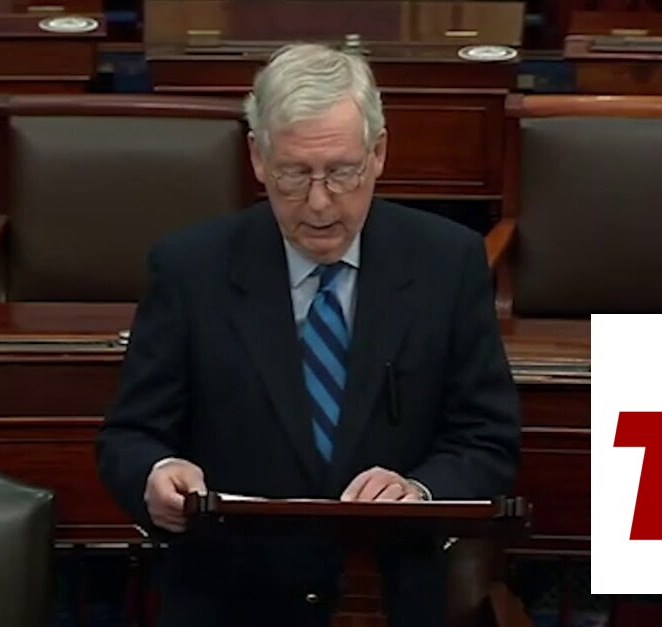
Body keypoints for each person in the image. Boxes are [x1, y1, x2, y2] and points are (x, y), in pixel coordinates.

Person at [96, 42, 520, 627]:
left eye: (341, 172)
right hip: (231, 602)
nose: (319, 204)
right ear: (258, 157)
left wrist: (420, 491)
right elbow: (130, 436)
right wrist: (156, 475)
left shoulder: (448, 263)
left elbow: (487, 438)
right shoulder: (190, 270)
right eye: (295, 173)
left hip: (388, 600)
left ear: (378, 153)